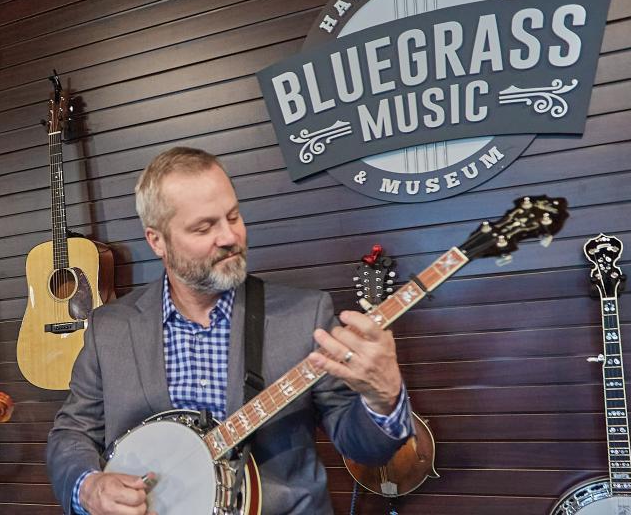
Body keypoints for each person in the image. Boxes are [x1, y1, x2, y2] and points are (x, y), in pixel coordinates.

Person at [47, 147, 413, 515]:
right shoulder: (109, 329)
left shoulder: (305, 316)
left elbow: (364, 447)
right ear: (157, 240)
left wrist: (383, 400)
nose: (229, 237)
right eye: (204, 227)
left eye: (234, 216)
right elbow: (72, 432)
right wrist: (88, 487)